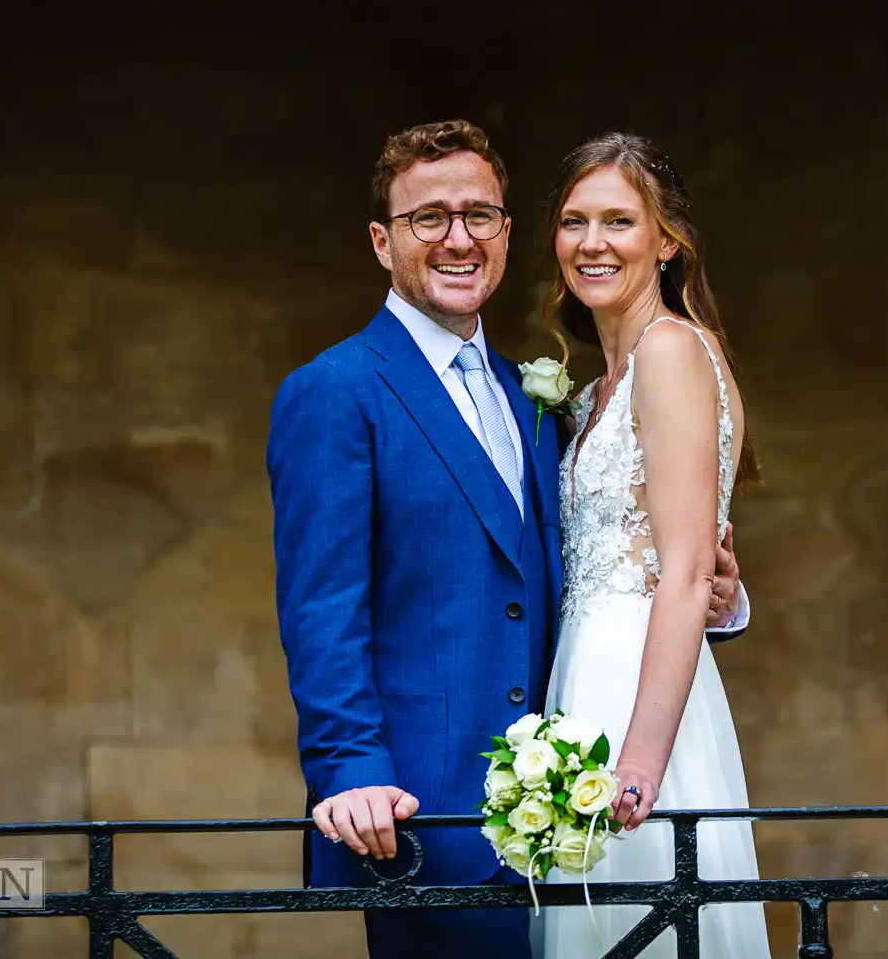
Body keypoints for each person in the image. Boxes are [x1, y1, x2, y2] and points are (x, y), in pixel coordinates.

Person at [265, 119, 751, 959]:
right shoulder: (333, 391)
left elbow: (621, 551)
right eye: (429, 219)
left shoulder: (534, 396)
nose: (459, 238)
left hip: (570, 791)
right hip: (423, 816)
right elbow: (322, 607)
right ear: (383, 243)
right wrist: (349, 773)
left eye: (480, 214)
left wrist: (723, 593)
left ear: (505, 231)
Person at [539, 132, 771, 958]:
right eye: (573, 221)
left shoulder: (671, 351)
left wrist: (637, 763)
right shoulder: (600, 384)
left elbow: (681, 575)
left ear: (666, 241)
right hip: (585, 678)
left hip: (639, 703)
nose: (591, 243)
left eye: (618, 221)